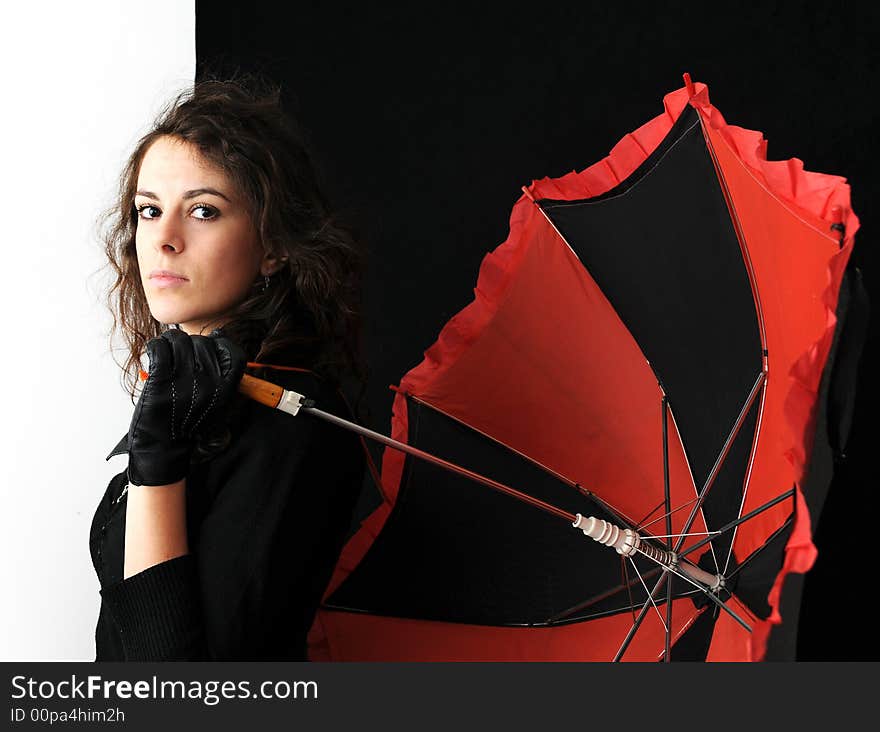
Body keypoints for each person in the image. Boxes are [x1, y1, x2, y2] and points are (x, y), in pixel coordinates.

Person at [90, 74, 367, 661]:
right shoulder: (196, 398)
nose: (163, 239)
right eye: (148, 210)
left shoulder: (294, 427)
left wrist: (158, 467)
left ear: (273, 245)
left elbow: (179, 690)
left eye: (204, 211)